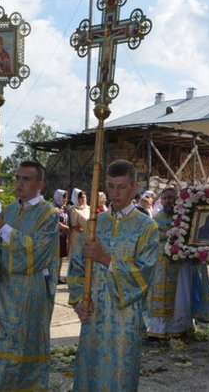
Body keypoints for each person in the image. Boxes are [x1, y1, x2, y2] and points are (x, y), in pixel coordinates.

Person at [0, 160, 60, 391]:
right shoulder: (10, 209)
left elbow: (38, 253)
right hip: (2, 290)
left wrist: (4, 228)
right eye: (17, 178)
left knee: (22, 346)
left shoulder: (49, 214)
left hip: (29, 291)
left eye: (26, 179)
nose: (20, 183)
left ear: (40, 183)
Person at [68, 160, 159, 391]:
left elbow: (144, 275)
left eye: (121, 186)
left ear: (134, 187)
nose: (115, 193)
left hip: (125, 318)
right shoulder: (94, 224)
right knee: (89, 372)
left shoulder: (146, 227)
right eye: (110, 186)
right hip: (93, 312)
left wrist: (106, 259)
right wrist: (79, 301)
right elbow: (76, 267)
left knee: (119, 376)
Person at [147, 187, 209, 339]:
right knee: (162, 295)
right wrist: (169, 235)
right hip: (163, 264)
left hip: (182, 265)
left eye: (170, 198)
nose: (167, 201)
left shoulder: (186, 218)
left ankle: (181, 327)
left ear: (177, 199)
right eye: (165, 198)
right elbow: (152, 238)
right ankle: (159, 329)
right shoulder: (156, 218)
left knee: (182, 294)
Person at [54, 189, 70, 284]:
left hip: (63, 236)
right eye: (63, 197)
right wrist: (66, 228)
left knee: (61, 257)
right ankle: (54, 275)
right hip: (56, 236)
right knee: (56, 257)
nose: (64, 199)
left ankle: (58, 276)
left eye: (65, 197)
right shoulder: (54, 208)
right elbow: (56, 222)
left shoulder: (64, 208)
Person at [68, 188, 90, 255]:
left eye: (84, 197)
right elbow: (74, 225)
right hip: (78, 238)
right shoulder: (73, 209)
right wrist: (84, 233)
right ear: (77, 199)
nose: (83, 199)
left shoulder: (89, 208)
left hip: (88, 238)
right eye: (81, 198)